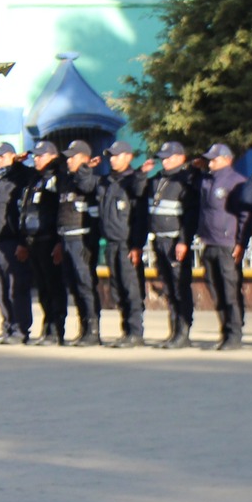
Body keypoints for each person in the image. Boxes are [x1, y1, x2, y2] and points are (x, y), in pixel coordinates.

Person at [196, 143, 252, 350]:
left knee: (230, 290)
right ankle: (224, 329)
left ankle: (234, 333)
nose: (211, 162)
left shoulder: (236, 182)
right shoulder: (206, 180)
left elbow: (245, 216)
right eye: (210, 159)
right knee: (215, 288)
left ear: (227, 159)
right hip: (209, 242)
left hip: (228, 245)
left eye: (215, 159)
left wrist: (241, 242)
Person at [145, 142, 202, 348]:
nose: (165, 161)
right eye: (163, 157)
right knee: (169, 286)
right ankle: (173, 330)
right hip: (158, 240)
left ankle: (183, 332)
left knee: (180, 287)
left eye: (169, 157)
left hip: (175, 241)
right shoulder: (158, 180)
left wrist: (183, 241)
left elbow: (190, 216)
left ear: (181, 157)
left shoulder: (187, 180)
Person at [0, 142, 34, 344]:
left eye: (3, 156)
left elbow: (30, 177)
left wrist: (19, 164)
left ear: (12, 156)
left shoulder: (19, 178)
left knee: (15, 289)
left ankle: (20, 330)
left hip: (11, 243)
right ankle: (8, 327)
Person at [98, 141, 150, 347]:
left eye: (117, 155)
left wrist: (137, 245)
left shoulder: (133, 181)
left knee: (131, 288)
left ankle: (136, 331)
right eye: (110, 155)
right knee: (117, 289)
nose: (112, 159)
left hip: (127, 244)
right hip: (111, 243)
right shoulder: (108, 181)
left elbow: (140, 217)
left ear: (128, 157)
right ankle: (126, 330)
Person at [20, 140, 67, 345]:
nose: (36, 159)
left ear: (52, 157)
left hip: (50, 240)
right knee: (43, 289)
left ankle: (57, 329)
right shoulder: (34, 179)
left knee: (54, 286)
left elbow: (61, 213)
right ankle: (47, 327)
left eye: (40, 156)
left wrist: (59, 242)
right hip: (34, 240)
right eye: (35, 156)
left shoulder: (57, 178)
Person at [57, 140, 104, 346]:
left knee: (85, 285)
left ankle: (93, 330)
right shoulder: (67, 180)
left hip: (82, 239)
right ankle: (83, 326)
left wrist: (85, 170)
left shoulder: (91, 179)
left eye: (73, 157)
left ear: (85, 159)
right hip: (66, 237)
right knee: (74, 286)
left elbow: (86, 186)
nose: (68, 161)